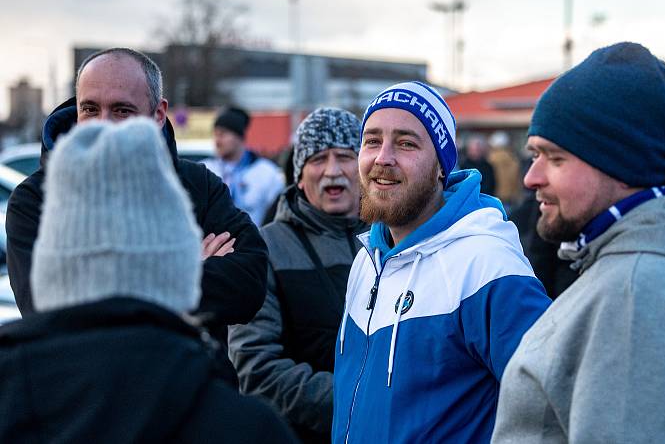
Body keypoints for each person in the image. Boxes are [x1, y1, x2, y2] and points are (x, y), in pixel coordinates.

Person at [492, 42, 665, 443]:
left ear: (619, 165)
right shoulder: (662, 266)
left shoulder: (636, 291)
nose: (531, 177)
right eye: (534, 154)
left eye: (555, 158)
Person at [0, 118, 296, 444]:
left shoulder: (15, 404)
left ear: (51, 271)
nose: (105, 120)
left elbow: (248, 275)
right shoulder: (245, 427)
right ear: (179, 277)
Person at [333, 81, 551, 443]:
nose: (382, 158)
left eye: (406, 143)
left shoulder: (486, 263)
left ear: (440, 167)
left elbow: (553, 405)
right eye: (372, 141)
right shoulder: (367, 259)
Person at [5, 48, 268, 341]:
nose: (102, 124)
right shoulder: (34, 201)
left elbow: (249, 284)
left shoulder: (198, 185)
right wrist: (187, 270)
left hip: (192, 382)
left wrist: (98, 282)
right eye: (90, 109)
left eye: (121, 110)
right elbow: (49, 312)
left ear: (158, 114)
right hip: (89, 386)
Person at [229, 108, 367, 443]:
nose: (332, 171)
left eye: (345, 157)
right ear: (300, 177)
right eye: (318, 159)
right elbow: (255, 368)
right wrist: (359, 401)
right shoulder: (266, 249)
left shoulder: (395, 240)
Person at [202, 107, 284, 225]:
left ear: (239, 136)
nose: (217, 141)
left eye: (223, 134)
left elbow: (276, 218)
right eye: (215, 134)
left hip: (255, 241)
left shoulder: (267, 173)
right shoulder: (206, 170)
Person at [488, 131, 522, 206]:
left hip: (495, 195)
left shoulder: (491, 158)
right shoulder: (512, 158)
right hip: (511, 196)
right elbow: (516, 178)